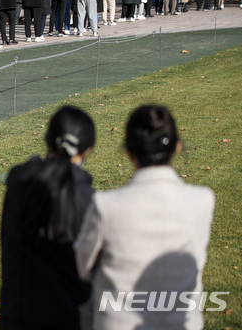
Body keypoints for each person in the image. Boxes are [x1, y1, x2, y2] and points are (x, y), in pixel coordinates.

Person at [75, 105, 215, 330]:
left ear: (128, 150)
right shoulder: (203, 201)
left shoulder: (105, 206)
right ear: (176, 147)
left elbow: (84, 266)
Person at [0, 106, 95, 330]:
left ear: (47, 139)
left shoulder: (18, 182)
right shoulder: (91, 201)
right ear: (87, 150)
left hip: (19, 314)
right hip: (73, 317)